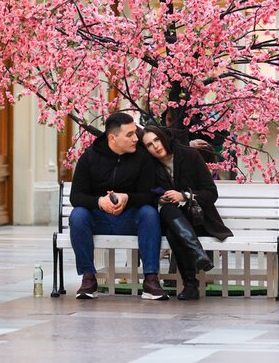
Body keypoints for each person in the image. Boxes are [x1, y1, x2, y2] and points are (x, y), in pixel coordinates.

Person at [69, 112, 168, 300]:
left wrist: (127, 198)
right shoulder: (89, 157)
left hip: (129, 218)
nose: (135, 138)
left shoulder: (142, 157)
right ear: (112, 138)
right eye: (129, 135)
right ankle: (88, 278)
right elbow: (77, 197)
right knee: (78, 215)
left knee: (149, 213)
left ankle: (151, 279)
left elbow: (148, 196)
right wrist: (99, 202)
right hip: (99, 219)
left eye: (135, 133)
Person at [142, 126, 232, 300]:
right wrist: (159, 200)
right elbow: (145, 194)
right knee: (168, 213)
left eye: (157, 140)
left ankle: (191, 284)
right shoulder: (149, 165)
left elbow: (210, 193)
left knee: (173, 231)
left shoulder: (190, 155)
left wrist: (183, 196)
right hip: (168, 218)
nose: (155, 146)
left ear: (164, 138)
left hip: (197, 220)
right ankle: (197, 254)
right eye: (149, 145)